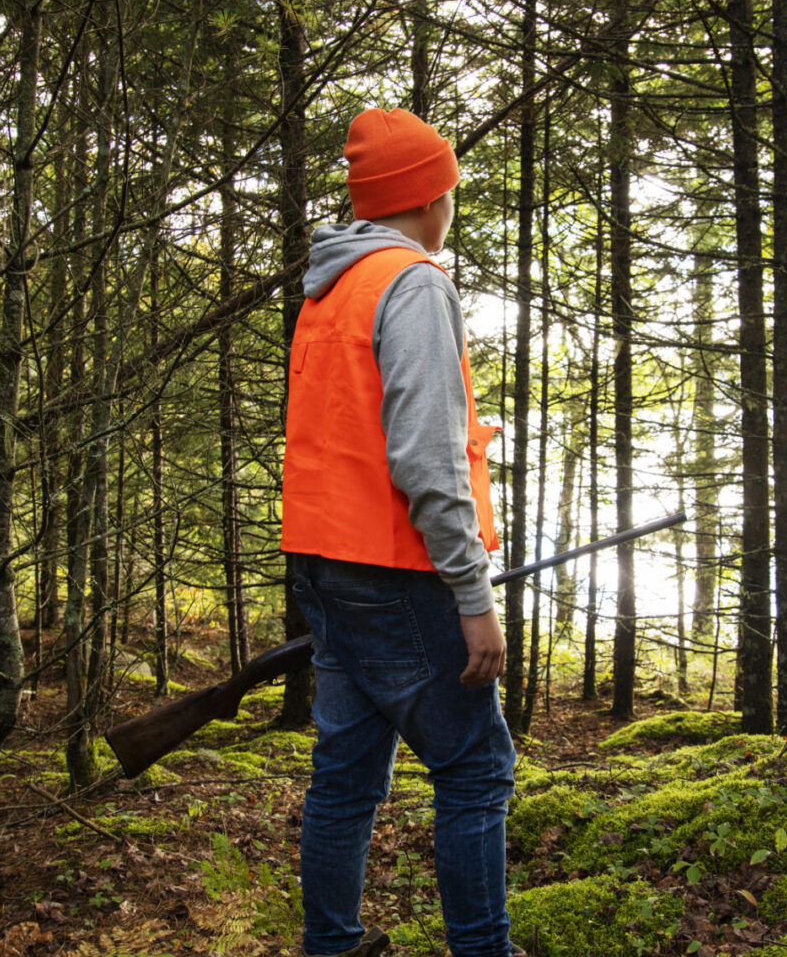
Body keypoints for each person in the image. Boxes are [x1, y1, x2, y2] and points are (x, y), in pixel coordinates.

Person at [281, 107, 521, 957]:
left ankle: (332, 945)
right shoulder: (413, 284)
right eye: (447, 188)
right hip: (396, 570)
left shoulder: (333, 285)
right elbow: (426, 459)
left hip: (324, 563)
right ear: (429, 197)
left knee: (344, 775)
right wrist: (471, 594)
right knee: (475, 770)